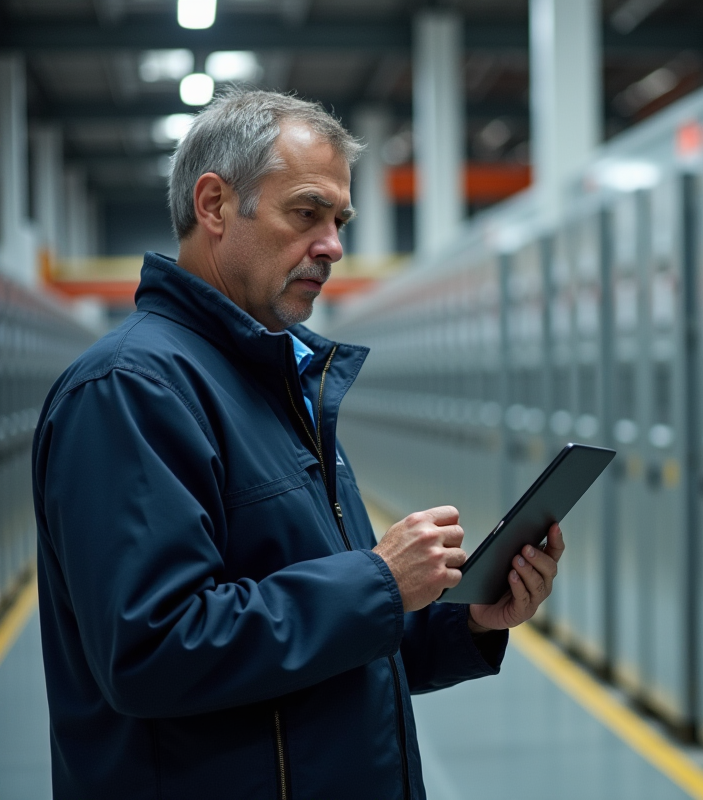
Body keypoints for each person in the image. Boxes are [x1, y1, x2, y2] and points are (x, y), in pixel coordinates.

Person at [31, 89, 563, 800]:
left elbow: (332, 638)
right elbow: (154, 649)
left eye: (339, 221)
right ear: (215, 205)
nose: (333, 246)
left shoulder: (277, 380)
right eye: (306, 213)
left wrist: (464, 621)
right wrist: (378, 582)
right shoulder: (131, 389)